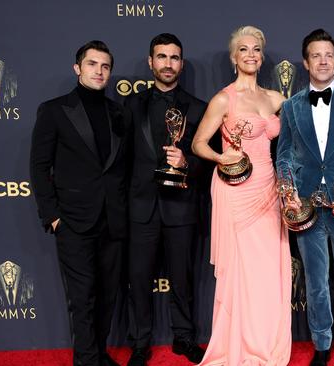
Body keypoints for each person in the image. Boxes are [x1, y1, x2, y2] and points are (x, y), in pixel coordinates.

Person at [191, 25, 291, 365]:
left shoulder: (276, 98)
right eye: (244, 49)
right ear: (235, 58)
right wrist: (222, 157)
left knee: (267, 270)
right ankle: (238, 344)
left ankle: (265, 340)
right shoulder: (224, 98)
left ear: (262, 58)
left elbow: (308, 122)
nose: (251, 54)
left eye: (256, 50)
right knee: (242, 271)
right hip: (236, 189)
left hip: (269, 189)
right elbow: (198, 143)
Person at [29, 40, 130, 366]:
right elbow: (39, 166)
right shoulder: (55, 110)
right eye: (92, 64)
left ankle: (98, 354)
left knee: (107, 296)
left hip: (112, 219)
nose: (99, 71)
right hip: (73, 220)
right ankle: (86, 361)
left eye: (105, 66)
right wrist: (52, 215)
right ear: (78, 68)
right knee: (82, 297)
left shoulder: (118, 112)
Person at [276, 29, 334, 366]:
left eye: (328, 55)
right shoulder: (289, 107)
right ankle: (320, 345)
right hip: (307, 210)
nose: (323, 60)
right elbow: (284, 157)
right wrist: (288, 195)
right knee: (316, 282)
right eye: (316, 55)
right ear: (305, 62)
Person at [124, 33, 207, 366]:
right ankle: (140, 343)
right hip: (141, 206)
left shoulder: (199, 108)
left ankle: (184, 338)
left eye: (174, 58)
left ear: (181, 64)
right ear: (150, 62)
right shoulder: (131, 105)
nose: (168, 63)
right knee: (139, 280)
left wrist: (187, 161)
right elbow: (122, 158)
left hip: (181, 207)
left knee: (183, 279)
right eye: (162, 57)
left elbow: (206, 159)